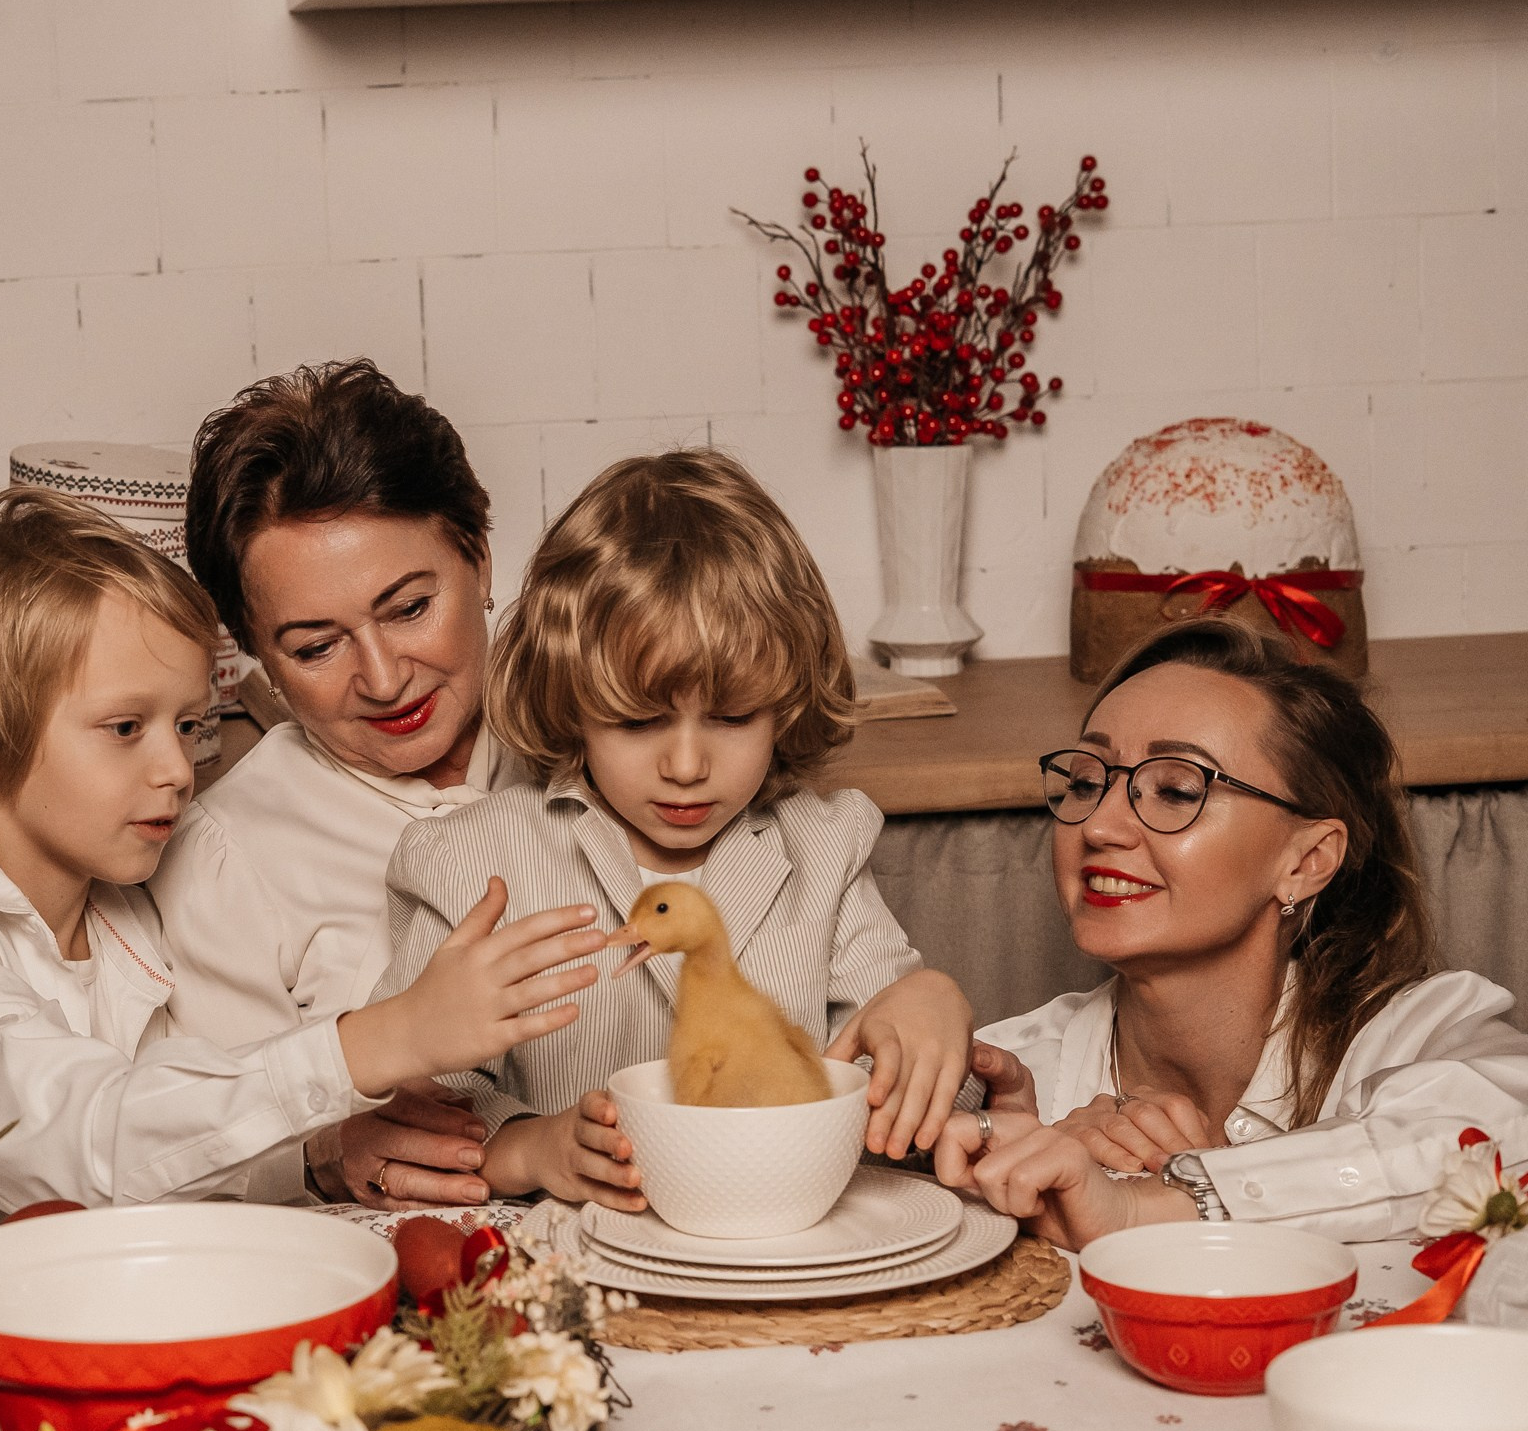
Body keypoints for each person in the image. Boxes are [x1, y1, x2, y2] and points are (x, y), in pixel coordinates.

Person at [0, 490, 609, 1236]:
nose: (177, 769)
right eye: (125, 728)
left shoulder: (126, 916)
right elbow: (90, 1145)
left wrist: (321, 1156)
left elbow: (175, 1146)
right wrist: (382, 1039)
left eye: (186, 724)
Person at [377, 449, 976, 1211]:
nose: (687, 765)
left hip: (774, 1247)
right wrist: (529, 1144)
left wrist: (923, 1002)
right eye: (637, 721)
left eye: (731, 717)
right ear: (570, 701)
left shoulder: (825, 847)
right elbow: (413, 1112)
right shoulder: (470, 860)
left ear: (784, 704)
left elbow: (884, 1066)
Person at [938, 619, 1528, 1248]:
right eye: (1087, 781)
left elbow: (1503, 1132)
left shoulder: (1420, 1030)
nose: (1101, 825)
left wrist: (1159, 1200)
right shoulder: (1019, 1069)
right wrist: (985, 1181)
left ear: (1307, 861)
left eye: (1176, 789)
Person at [150, 361, 537, 1207]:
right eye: (316, 646)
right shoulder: (223, 854)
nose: (384, 677)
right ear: (257, 656)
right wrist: (318, 1154)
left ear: (478, 554)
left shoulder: (602, 739)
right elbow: (192, 1142)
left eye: (407, 609)